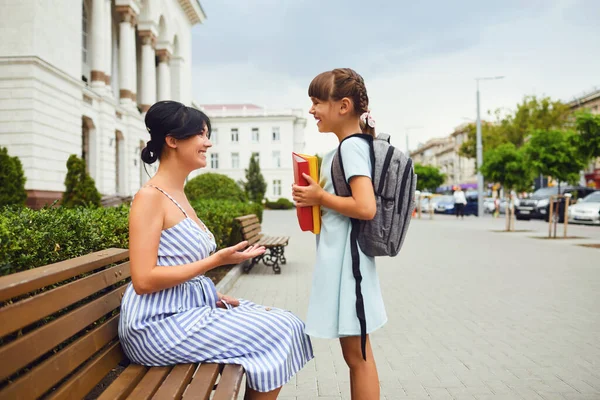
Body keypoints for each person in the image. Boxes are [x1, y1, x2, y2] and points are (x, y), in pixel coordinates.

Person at [119, 101, 313, 400]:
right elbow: (144, 281)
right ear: (172, 140)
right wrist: (215, 261)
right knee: (279, 330)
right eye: (200, 134)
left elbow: (175, 265)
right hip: (155, 326)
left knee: (287, 321)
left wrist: (215, 295)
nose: (208, 142)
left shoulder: (177, 194)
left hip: (183, 311)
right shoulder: (149, 198)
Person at [292, 68, 385, 400]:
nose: (312, 110)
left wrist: (320, 198)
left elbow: (365, 207)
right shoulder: (345, 148)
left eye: (317, 102)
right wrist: (313, 200)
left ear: (343, 106)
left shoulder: (351, 148)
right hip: (345, 266)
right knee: (355, 356)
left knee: (358, 357)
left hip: (351, 270)